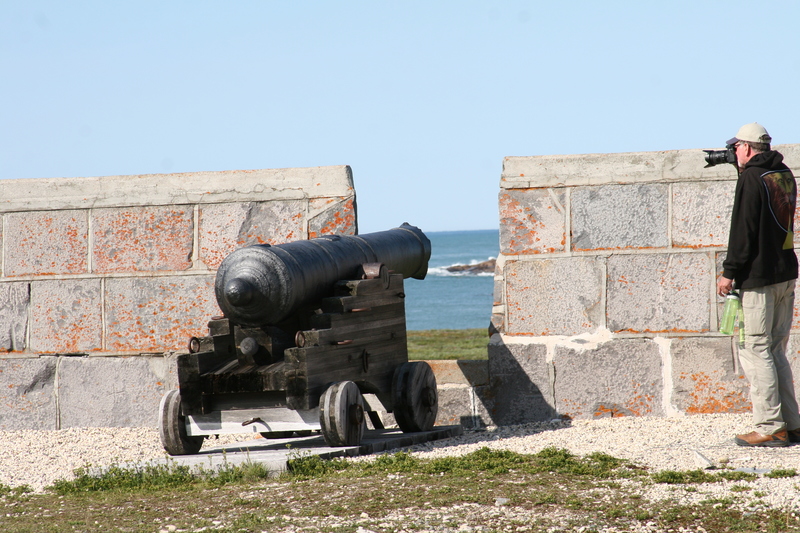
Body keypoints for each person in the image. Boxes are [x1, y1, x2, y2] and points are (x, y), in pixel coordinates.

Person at [717, 122, 800, 447]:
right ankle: (791, 423)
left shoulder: (752, 178)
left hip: (760, 278)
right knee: (776, 348)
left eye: (736, 146)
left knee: (755, 348)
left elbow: (744, 229)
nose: (734, 151)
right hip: (785, 273)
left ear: (747, 147)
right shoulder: (782, 173)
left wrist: (729, 272)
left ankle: (769, 425)